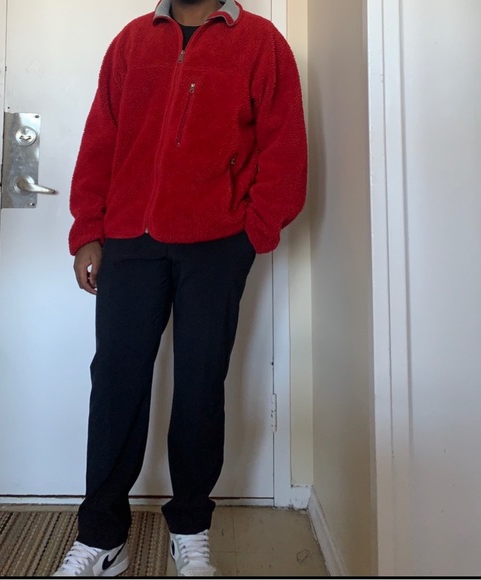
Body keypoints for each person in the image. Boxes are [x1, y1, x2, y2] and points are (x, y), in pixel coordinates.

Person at [54, 0, 307, 576]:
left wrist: (254, 232)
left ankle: (190, 529)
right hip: (129, 241)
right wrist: (88, 230)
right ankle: (101, 538)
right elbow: (101, 138)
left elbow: (285, 144)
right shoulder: (131, 41)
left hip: (216, 244)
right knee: (115, 383)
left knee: (200, 384)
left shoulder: (261, 43)